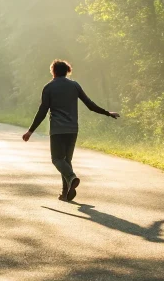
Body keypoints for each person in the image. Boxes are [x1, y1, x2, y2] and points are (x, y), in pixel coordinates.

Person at [22, 59, 119, 201]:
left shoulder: (48, 87)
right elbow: (90, 105)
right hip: (73, 129)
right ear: (67, 71)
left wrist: (30, 131)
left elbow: (43, 111)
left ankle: (71, 177)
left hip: (57, 130)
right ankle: (66, 193)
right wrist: (107, 113)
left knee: (57, 159)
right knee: (66, 161)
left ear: (53, 71)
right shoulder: (75, 86)